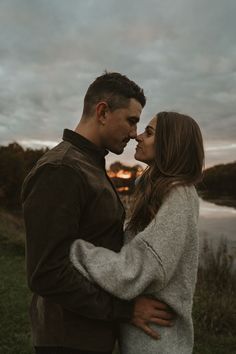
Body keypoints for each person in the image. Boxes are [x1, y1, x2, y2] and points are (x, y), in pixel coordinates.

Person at [21, 73, 173, 354]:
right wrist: (126, 309)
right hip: (68, 340)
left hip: (90, 335)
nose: (133, 133)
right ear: (103, 112)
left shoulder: (89, 163)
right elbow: (46, 273)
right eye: (131, 120)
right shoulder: (62, 169)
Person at [70, 111, 205, 354]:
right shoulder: (156, 190)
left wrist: (77, 250)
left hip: (159, 342)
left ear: (170, 144)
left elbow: (136, 270)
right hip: (145, 339)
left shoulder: (180, 195)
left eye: (149, 133)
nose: (138, 137)